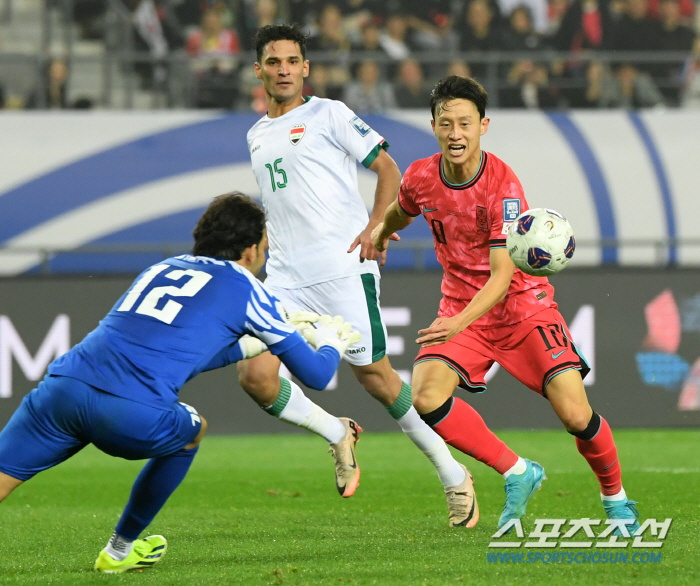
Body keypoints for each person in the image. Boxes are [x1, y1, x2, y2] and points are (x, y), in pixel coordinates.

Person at [0, 193, 359, 573]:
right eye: (265, 247)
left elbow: (174, 354)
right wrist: (332, 344)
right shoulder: (249, 289)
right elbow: (317, 375)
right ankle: (119, 552)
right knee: (192, 431)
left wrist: (243, 349)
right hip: (129, 413)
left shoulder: (162, 268)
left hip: (63, 388)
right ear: (251, 250)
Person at [371, 76, 641, 533]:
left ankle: (615, 499)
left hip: (521, 308)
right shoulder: (420, 175)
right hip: (463, 308)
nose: (456, 133)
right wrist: (380, 230)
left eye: (465, 123)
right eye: (446, 124)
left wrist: (456, 322)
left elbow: (501, 277)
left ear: (483, 125)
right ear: (433, 126)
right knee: (426, 395)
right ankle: (518, 471)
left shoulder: (503, 185)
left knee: (576, 415)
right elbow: (404, 206)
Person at [242, 24, 479, 528]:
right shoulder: (256, 134)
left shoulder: (328, 113)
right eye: (273, 61)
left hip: (343, 267)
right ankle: (336, 433)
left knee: (377, 380)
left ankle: (453, 473)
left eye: (292, 61)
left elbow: (389, 169)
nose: (283, 70)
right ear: (258, 69)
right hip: (283, 277)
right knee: (256, 376)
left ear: (305, 68)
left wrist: (377, 226)